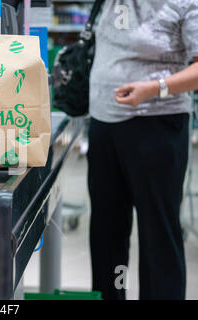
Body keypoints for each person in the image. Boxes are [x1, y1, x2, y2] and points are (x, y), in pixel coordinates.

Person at [88, 0, 198, 300]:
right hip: (103, 125)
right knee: (107, 233)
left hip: (157, 127)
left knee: (158, 236)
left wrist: (155, 88)